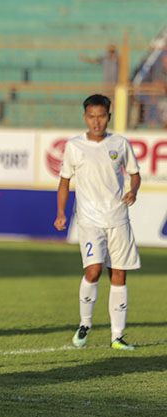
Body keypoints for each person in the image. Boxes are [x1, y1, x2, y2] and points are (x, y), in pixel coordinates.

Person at [54, 94, 141, 351]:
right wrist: (61, 212)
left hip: (118, 218)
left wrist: (133, 191)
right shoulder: (74, 146)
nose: (97, 121)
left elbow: (135, 174)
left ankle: (117, 336)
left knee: (119, 274)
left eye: (101, 116)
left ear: (108, 117)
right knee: (93, 270)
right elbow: (64, 181)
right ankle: (85, 323)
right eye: (92, 116)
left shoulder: (120, 143)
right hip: (89, 220)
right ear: (85, 117)